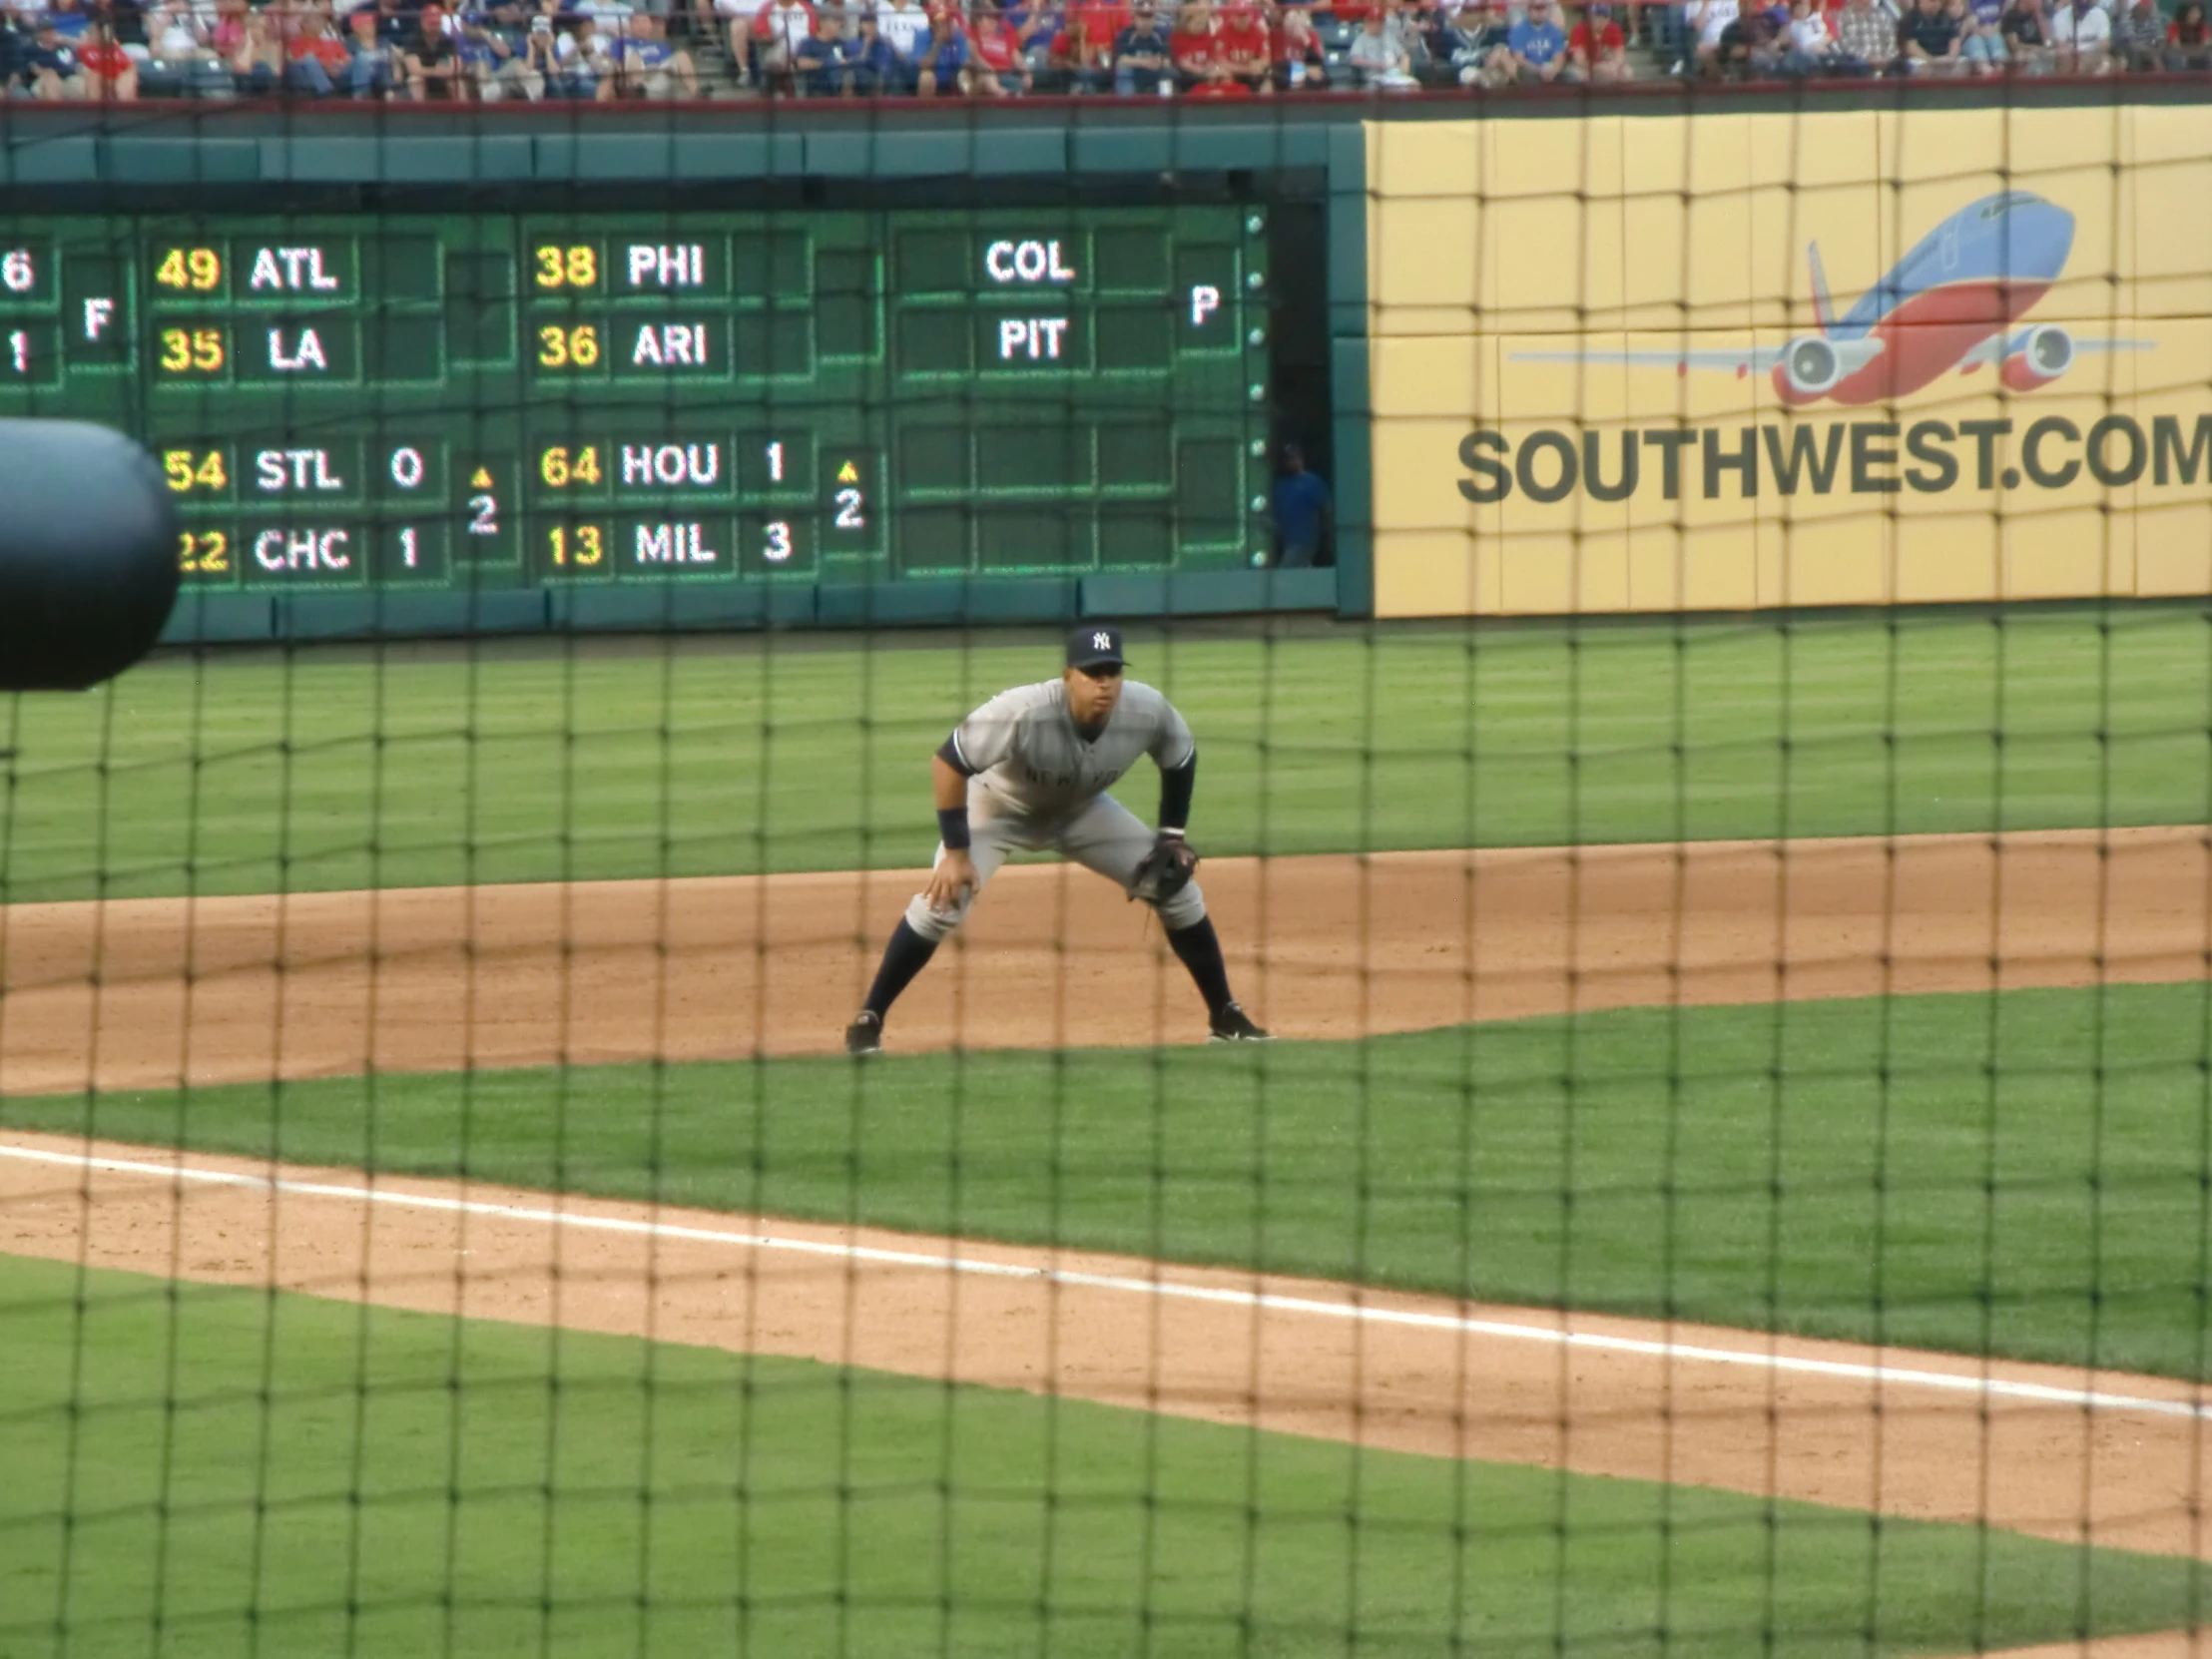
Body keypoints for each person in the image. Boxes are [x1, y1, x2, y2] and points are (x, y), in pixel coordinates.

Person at [843, 625, 1271, 1056]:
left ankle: (1224, 1017)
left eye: (1111, 672)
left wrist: (1172, 836)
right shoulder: (1022, 710)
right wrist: (956, 853)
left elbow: (1181, 756)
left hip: (1082, 811)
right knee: (944, 902)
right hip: (997, 808)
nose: (1103, 683)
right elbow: (948, 764)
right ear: (1068, 676)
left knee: (1177, 890)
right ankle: (870, 1017)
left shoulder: (1146, 710)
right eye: (1091, 673)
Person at [1272, 443, 1332, 569]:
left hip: (1305, 538)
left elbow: (1326, 508)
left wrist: (1328, 534)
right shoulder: (1281, 485)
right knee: (1301, 569)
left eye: (1294, 458)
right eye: (1288, 459)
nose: (1291, 462)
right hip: (1287, 540)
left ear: (1301, 459)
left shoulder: (1312, 481)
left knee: (1286, 571)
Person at [1112, 0, 1172, 88]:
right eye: (1142, 18)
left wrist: (1160, 62)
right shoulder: (1126, 34)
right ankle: (1127, 101)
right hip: (1134, 70)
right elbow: (1121, 60)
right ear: (1134, 18)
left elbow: (1166, 60)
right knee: (1123, 71)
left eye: (1149, 18)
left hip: (1153, 71)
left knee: (1168, 72)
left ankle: (1165, 100)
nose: (1145, 22)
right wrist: (1144, 62)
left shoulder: (1160, 34)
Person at [1507, 0, 1568, 74]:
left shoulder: (1555, 31)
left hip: (1550, 69)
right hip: (1528, 70)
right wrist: (1538, 70)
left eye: (1543, 8)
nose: (1540, 12)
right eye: (1536, 9)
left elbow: (1559, 57)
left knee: (1569, 78)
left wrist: (1554, 70)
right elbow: (1519, 59)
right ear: (1529, 10)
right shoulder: (1518, 31)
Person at [1567, 0, 1628, 75]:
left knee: (1626, 72)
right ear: (1590, 17)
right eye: (1598, 16)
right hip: (1586, 67)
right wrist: (1598, 68)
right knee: (1577, 74)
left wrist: (1614, 66)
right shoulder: (1579, 29)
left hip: (1606, 66)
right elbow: (1579, 60)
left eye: (1605, 16)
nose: (1601, 20)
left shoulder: (1614, 29)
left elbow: (1620, 55)